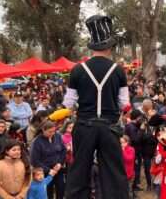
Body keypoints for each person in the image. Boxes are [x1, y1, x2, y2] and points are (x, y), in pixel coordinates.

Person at [63, 15, 131, 199]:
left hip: (84, 126)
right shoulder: (118, 70)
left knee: (79, 171)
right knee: (113, 172)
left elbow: (68, 104)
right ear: (109, 47)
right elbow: (125, 104)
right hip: (109, 128)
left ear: (92, 47)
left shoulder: (77, 70)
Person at [30, 120, 66, 199]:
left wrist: (60, 163)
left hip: (58, 169)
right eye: (50, 132)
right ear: (43, 130)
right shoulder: (37, 142)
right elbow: (34, 160)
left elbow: (63, 150)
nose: (52, 133)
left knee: (61, 189)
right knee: (48, 192)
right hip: (44, 172)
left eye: (54, 131)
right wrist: (48, 170)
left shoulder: (57, 136)